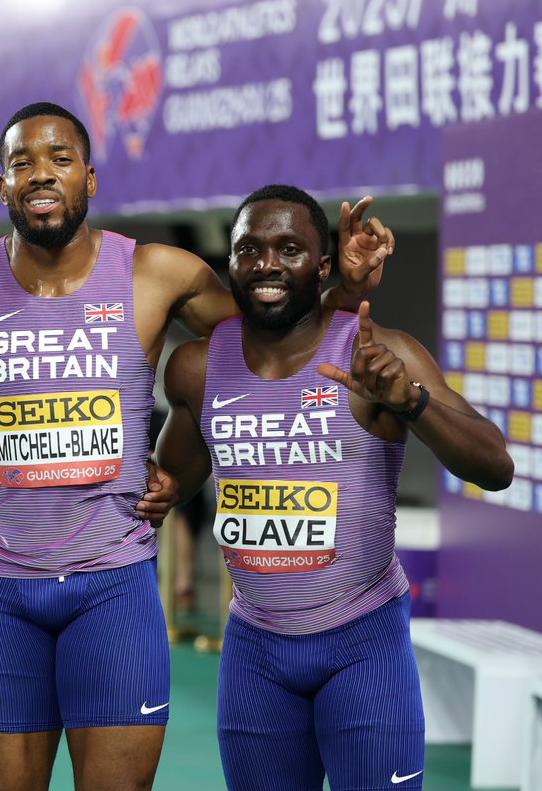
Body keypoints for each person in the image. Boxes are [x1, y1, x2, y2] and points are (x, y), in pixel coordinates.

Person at [0, 102, 389, 790]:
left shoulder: (159, 274)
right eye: (22, 163)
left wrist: (342, 292)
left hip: (114, 586)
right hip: (3, 589)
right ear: (2, 186)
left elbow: (271, 344)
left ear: (90, 179)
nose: (42, 175)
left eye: (60, 159)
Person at [156, 184, 514, 790]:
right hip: (255, 654)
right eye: (249, 250)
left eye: (289, 248)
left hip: (363, 644)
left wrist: (414, 403)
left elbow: (495, 466)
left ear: (321, 266)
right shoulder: (196, 366)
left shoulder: (378, 355)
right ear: (232, 264)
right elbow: (167, 486)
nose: (267, 264)